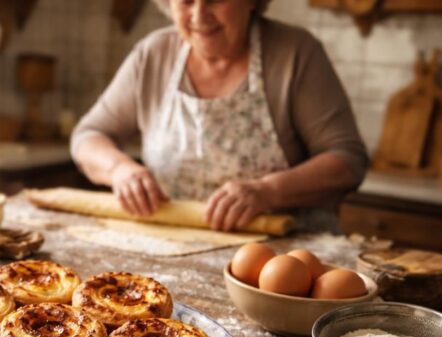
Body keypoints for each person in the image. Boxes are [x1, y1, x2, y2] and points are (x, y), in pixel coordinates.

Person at [70, 0, 368, 232]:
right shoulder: (154, 54)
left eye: (216, 0)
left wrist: (266, 192)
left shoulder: (294, 54)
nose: (199, 16)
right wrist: (120, 170)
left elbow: (346, 160)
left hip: (280, 258)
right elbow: (88, 136)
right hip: (168, 248)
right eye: (186, 1)